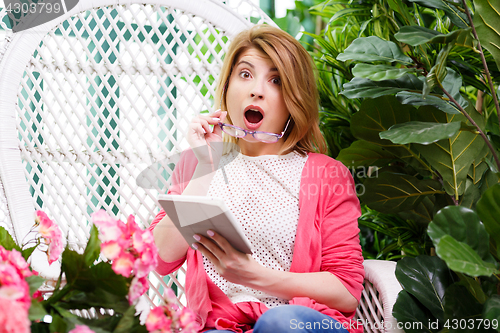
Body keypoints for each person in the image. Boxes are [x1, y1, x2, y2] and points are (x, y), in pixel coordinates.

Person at [149, 24, 364, 333]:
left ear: (293, 98)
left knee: (277, 325)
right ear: (227, 87)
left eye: (275, 80)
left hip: (297, 324)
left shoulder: (326, 174)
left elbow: (346, 291)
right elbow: (159, 258)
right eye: (246, 74)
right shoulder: (197, 162)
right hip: (222, 325)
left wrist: (255, 276)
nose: (257, 90)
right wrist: (204, 166)